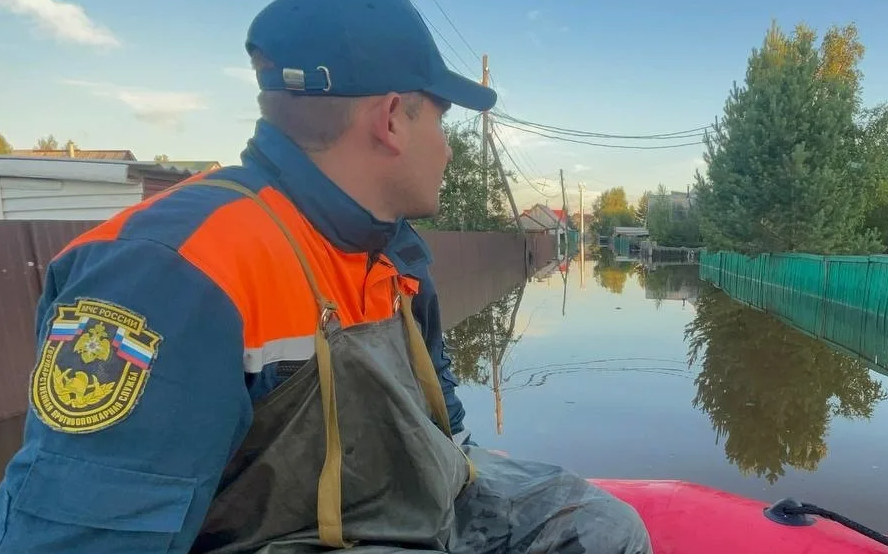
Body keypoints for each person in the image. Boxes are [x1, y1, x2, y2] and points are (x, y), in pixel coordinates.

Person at [0, 0, 652, 552]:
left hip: (418, 501)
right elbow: (78, 535)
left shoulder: (392, 244)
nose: (449, 149)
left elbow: (441, 413)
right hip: (303, 536)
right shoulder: (174, 270)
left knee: (601, 526)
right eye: (442, 119)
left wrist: (459, 464)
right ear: (392, 118)